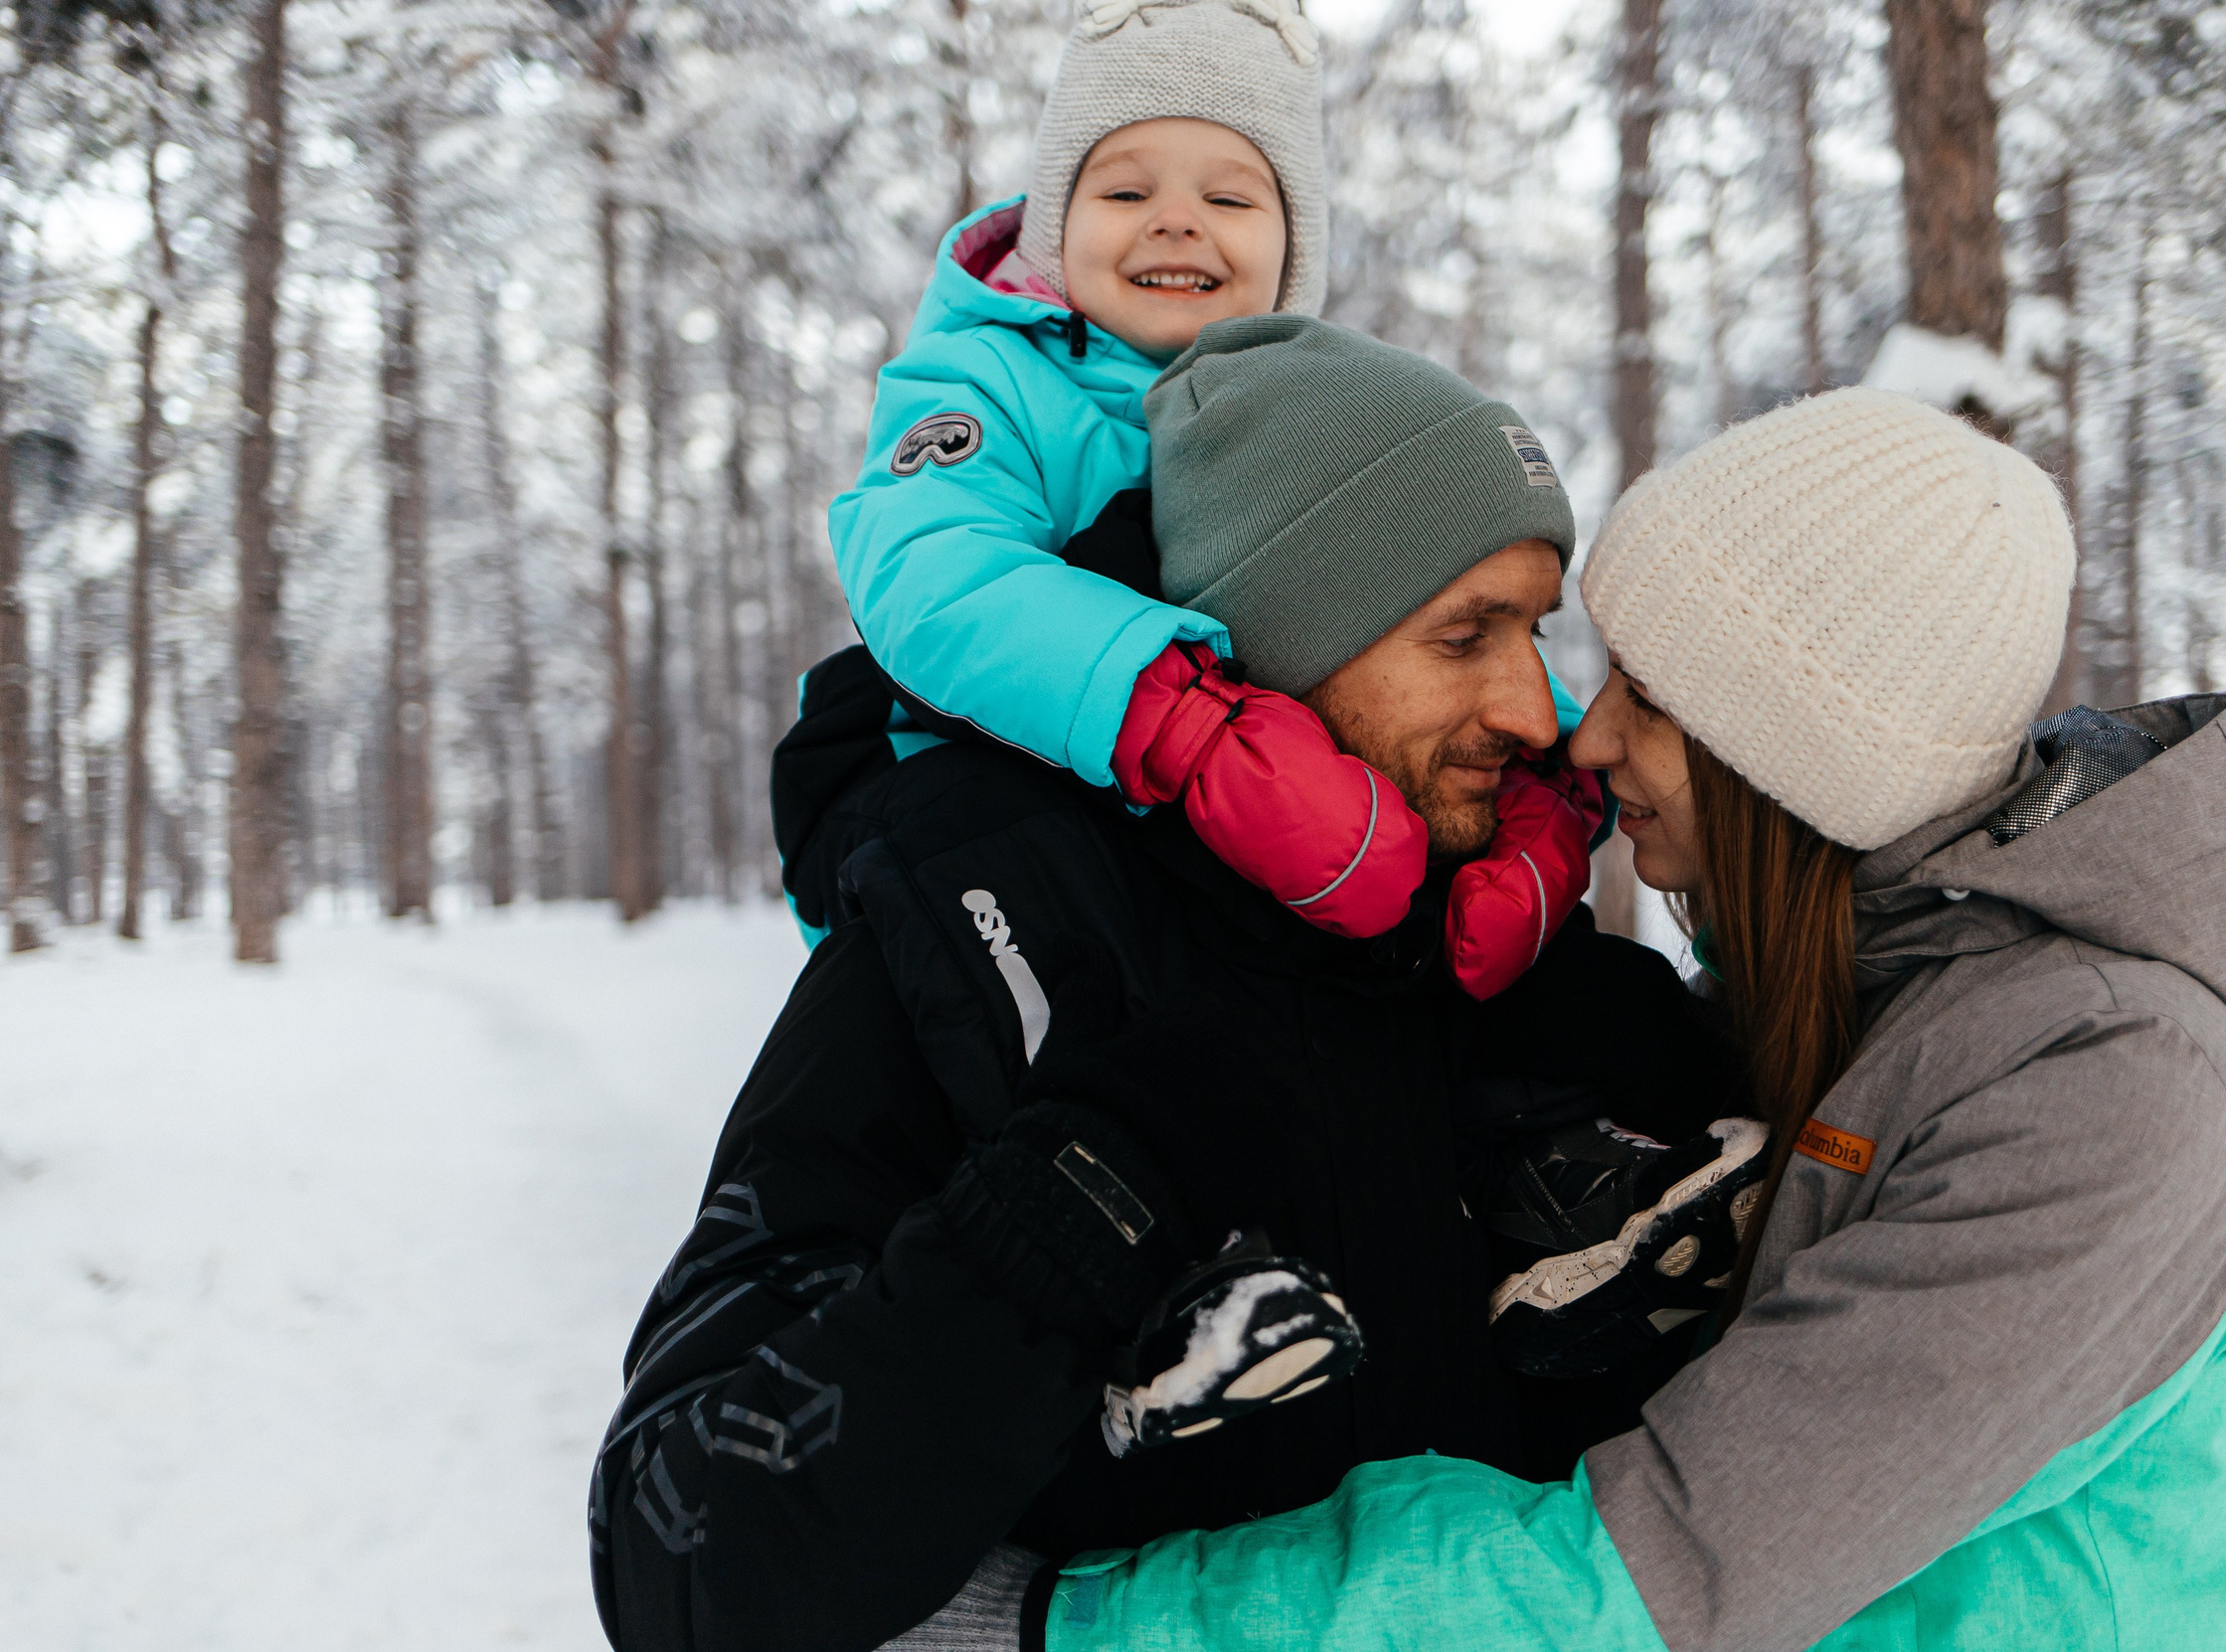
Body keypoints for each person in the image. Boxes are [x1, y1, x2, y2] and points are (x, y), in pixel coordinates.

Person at [1031, 387, 2226, 1652]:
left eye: (1646, 692)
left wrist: (1067, 1622)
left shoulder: (2110, 1093)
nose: (1582, 740)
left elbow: (1647, 1577)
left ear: (1784, 749)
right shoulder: (1848, 1006)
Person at [589, 320, 1742, 1652]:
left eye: (1531, 629)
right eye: (1462, 634)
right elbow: (675, 1550)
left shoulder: (1509, 954)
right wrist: (1069, 1209)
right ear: (1282, 632)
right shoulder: (979, 923)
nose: (1534, 710)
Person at [827, 0, 1588, 996]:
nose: (1177, 220)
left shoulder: (1314, 410)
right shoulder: (982, 378)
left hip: (1240, 834)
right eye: (1125, 189)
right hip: (991, 825)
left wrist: (1546, 798)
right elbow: (934, 574)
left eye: (1228, 195)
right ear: (1057, 222)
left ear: (1291, 249)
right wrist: (1188, 724)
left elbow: (1437, 608)